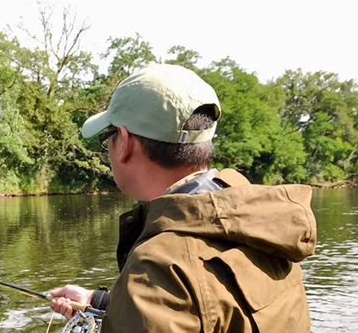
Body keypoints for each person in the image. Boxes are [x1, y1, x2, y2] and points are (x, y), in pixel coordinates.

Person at [49, 64, 316, 332]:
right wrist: (101, 302)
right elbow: (213, 306)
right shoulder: (260, 220)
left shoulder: (157, 270)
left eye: (108, 136)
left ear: (125, 142)